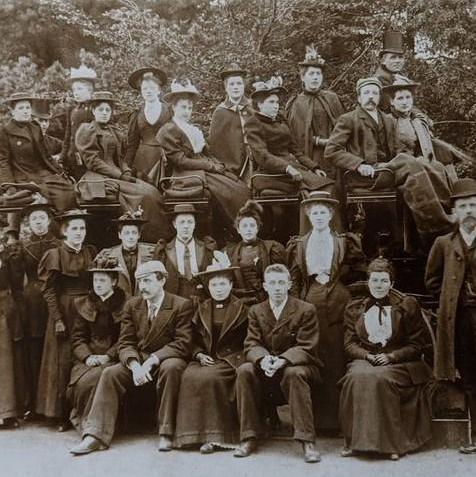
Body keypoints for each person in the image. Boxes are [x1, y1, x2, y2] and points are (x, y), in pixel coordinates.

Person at [69, 261, 193, 455]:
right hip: (139, 360)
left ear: (162, 281)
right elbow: (125, 342)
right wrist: (134, 365)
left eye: (147, 281)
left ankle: (166, 432)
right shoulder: (133, 305)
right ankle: (95, 435)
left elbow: (182, 343)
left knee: (171, 368)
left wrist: (153, 360)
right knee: (111, 373)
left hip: (167, 357)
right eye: (140, 282)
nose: (142, 287)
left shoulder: (180, 305)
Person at [286, 191, 366, 430]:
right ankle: (317, 423)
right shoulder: (299, 244)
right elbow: (295, 277)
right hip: (310, 301)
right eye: (314, 212)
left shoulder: (344, 241)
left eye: (323, 212)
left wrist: (339, 276)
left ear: (330, 215)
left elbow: (358, 270)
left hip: (339, 301)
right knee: (314, 356)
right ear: (308, 215)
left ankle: (341, 421)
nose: (319, 216)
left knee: (336, 358)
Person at [340, 258, 432, 460]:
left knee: (381, 379)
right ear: (368, 282)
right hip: (367, 359)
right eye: (375, 281)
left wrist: (391, 357)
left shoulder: (406, 306)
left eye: (383, 281)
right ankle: (354, 442)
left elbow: (418, 345)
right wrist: (366, 355)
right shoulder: (355, 308)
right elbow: (349, 345)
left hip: (401, 361)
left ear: (391, 284)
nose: (379, 286)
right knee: (354, 377)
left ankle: (392, 444)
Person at [235, 264, 321, 463]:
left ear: (289, 284)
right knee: (245, 371)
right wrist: (262, 359)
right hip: (267, 365)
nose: (277, 288)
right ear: (265, 286)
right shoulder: (256, 310)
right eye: (272, 283)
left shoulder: (305, 309)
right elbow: (251, 343)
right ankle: (248, 436)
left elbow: (307, 346)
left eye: (281, 282)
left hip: (297, 365)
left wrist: (283, 360)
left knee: (294, 373)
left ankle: (307, 440)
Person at [174, 255, 248, 452]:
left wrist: (234, 357)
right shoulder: (202, 308)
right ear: (208, 287)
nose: (218, 289)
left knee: (210, 378)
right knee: (189, 375)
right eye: (214, 285)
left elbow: (249, 340)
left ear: (231, 285)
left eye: (223, 284)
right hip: (206, 357)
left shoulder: (242, 308)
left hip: (232, 358)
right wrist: (198, 354)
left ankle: (217, 437)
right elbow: (193, 339)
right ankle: (190, 436)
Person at [75, 90, 169, 243]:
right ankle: (145, 236)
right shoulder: (87, 130)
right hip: (98, 176)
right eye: (100, 110)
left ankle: (159, 236)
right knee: (145, 196)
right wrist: (119, 175)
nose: (104, 113)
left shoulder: (114, 131)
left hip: (117, 173)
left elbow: (120, 158)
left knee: (152, 191)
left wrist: (126, 171)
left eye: (107, 110)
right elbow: (93, 162)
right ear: (93, 111)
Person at [425, 178, 476, 453]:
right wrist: (449, 301)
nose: (469, 211)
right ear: (455, 212)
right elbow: (432, 281)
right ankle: (475, 435)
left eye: (473, 205)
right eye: (463, 206)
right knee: (468, 375)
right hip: (461, 319)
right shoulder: (444, 243)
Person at [156, 79, 251, 227]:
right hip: (184, 173)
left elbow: (207, 152)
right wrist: (210, 166)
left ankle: (243, 226)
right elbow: (180, 161)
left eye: (189, 107)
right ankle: (236, 228)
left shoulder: (192, 128)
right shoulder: (168, 130)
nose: (187, 111)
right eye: (183, 107)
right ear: (173, 107)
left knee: (238, 186)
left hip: (201, 166)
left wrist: (218, 164)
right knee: (230, 192)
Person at [36, 209, 96, 431]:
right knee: (60, 362)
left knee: (82, 357)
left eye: (82, 228)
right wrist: (57, 319)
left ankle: (80, 410)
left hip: (86, 310)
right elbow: (49, 291)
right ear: (64, 231)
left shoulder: (90, 252)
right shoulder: (55, 255)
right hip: (64, 311)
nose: (79, 233)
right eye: (74, 229)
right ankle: (58, 414)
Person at [382, 76, 454, 244]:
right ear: (392, 102)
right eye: (400, 98)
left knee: (438, 167)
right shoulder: (387, 121)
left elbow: (427, 147)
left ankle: (448, 218)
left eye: (408, 97)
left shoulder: (418, 120)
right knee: (419, 174)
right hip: (397, 167)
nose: (405, 102)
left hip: (420, 163)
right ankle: (432, 231)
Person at [245, 76, 334, 196]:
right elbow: (262, 156)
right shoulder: (253, 123)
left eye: (277, 102)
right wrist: (287, 168)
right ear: (260, 104)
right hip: (272, 173)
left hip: (292, 168)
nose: (276, 106)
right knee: (319, 190)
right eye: (271, 102)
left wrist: (314, 167)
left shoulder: (281, 119)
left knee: (328, 186)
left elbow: (296, 150)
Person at [67, 255, 126, 435]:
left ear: (114, 282)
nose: (98, 284)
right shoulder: (83, 304)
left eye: (103, 280)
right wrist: (88, 356)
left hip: (114, 357)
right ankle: (85, 422)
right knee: (83, 383)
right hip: (88, 358)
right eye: (95, 280)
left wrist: (108, 355)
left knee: (99, 378)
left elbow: (126, 337)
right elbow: (77, 338)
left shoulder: (126, 304)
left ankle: (97, 427)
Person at [16, 202, 60, 417]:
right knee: (33, 352)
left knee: (53, 351)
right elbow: (16, 278)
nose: (39, 222)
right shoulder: (22, 247)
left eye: (42, 218)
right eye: (34, 219)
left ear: (49, 220)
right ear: (29, 223)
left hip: (54, 300)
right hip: (32, 303)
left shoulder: (59, 244)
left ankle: (53, 406)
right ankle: (32, 404)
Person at [0, 92, 77, 212]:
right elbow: (3, 162)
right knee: (42, 197)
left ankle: (62, 222)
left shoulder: (35, 128)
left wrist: (60, 171)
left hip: (42, 173)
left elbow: (45, 155)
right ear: (12, 111)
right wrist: (9, 186)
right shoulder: (5, 132)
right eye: (21, 108)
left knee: (67, 189)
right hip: (22, 175)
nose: (25, 111)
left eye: (27, 107)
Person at [286, 45, 345, 179]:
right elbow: (296, 136)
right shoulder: (297, 103)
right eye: (311, 74)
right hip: (310, 154)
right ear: (302, 77)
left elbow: (344, 126)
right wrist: (319, 142)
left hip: (334, 152)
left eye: (318, 74)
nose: (315, 78)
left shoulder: (332, 98)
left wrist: (334, 142)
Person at [224, 200, 286, 305]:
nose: (248, 229)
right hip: (241, 301)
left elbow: (281, 276)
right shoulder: (230, 252)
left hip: (266, 299)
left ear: (257, 228)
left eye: (252, 226)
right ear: (238, 230)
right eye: (244, 226)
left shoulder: (272, 248)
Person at [153, 203, 216, 300]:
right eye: (182, 222)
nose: (186, 226)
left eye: (190, 222)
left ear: (195, 224)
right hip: (174, 302)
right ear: (174, 224)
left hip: (203, 302)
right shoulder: (163, 250)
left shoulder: (207, 248)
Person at [0, 220, 27, 428]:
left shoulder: (7, 256)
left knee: (6, 360)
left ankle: (7, 412)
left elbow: (17, 284)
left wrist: (10, 260)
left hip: (5, 309)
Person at [124, 66, 172, 182]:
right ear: (141, 91)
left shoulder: (170, 110)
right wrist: (126, 167)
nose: (148, 91)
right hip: (143, 161)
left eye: (152, 87)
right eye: (145, 88)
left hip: (167, 157)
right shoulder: (136, 114)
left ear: (159, 90)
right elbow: (132, 144)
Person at [96, 209, 155, 297]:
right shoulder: (107, 255)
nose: (130, 237)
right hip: (119, 305)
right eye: (126, 233)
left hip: (144, 303)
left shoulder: (152, 253)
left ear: (139, 235)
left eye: (134, 233)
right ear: (119, 235)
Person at [209, 63, 253, 179]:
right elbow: (216, 145)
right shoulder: (220, 112)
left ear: (244, 86)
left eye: (239, 83)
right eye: (231, 84)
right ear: (226, 88)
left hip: (255, 159)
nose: (235, 87)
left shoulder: (252, 108)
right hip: (232, 162)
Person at [59, 64, 97, 179]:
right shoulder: (72, 109)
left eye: (80, 89)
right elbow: (68, 136)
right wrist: (62, 156)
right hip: (72, 156)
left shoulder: (93, 109)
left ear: (90, 90)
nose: (76, 92)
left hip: (88, 157)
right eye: (74, 89)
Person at [373, 30, 406, 111]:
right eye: (393, 57)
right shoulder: (379, 82)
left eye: (400, 57)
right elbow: (399, 110)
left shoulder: (398, 78)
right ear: (383, 61)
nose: (397, 61)